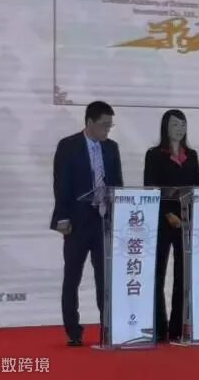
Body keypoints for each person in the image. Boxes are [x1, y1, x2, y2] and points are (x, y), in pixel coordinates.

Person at [50, 101, 123, 347]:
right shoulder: (68, 145)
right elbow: (61, 184)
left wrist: (118, 215)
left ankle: (108, 327)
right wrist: (62, 217)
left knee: (105, 279)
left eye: (110, 126)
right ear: (90, 122)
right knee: (72, 277)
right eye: (104, 125)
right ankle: (73, 331)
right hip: (76, 223)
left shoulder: (112, 148)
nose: (107, 130)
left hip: (103, 222)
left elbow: (117, 184)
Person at [143, 109, 199, 342]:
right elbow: (151, 187)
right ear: (165, 127)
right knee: (157, 275)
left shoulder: (192, 155)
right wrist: (168, 213)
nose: (179, 129)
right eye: (175, 125)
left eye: (183, 125)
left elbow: (198, 184)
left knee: (183, 276)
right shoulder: (154, 155)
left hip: (186, 221)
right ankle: (159, 328)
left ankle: (178, 328)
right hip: (162, 221)